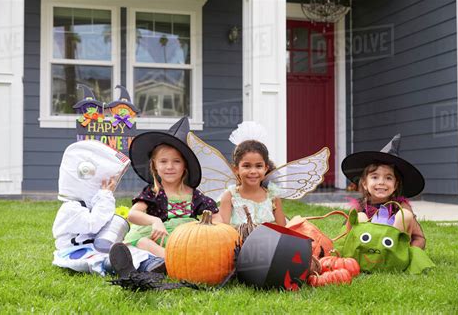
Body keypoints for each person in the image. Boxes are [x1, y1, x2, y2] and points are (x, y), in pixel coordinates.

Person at [52, 140, 163, 276]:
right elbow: (93, 224)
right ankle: (114, 265)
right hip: (76, 251)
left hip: (97, 247)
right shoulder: (71, 209)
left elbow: (105, 227)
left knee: (129, 251)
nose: (108, 189)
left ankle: (151, 262)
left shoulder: (91, 205)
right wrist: (105, 196)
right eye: (103, 186)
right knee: (97, 260)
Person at [123, 117, 220, 258]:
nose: (169, 167)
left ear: (185, 166)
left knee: (197, 247)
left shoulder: (194, 195)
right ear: (154, 165)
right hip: (158, 237)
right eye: (163, 161)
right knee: (143, 242)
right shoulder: (153, 192)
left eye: (176, 161)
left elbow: (217, 217)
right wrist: (155, 221)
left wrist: (204, 229)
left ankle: (170, 260)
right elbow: (133, 215)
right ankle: (168, 259)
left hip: (183, 240)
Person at [341, 134, 426, 249]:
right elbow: (346, 236)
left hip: (395, 253)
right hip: (366, 253)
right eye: (375, 177)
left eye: (388, 178)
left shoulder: (401, 207)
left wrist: (413, 252)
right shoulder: (359, 207)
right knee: (360, 217)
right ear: (365, 184)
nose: (381, 182)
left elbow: (419, 238)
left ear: (395, 185)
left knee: (404, 215)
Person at [219, 126, 287, 228]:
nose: (253, 171)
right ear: (236, 169)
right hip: (238, 242)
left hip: (267, 243)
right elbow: (223, 231)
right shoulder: (230, 196)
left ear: (265, 168)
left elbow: (283, 228)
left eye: (259, 166)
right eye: (246, 166)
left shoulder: (272, 196)